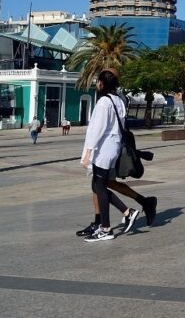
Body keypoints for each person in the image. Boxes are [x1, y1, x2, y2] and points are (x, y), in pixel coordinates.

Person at [80, 69, 138, 242]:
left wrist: (88, 152)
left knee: (99, 186)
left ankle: (106, 228)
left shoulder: (104, 102)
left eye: (98, 81)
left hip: (103, 149)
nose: (97, 84)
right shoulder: (118, 100)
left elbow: (98, 128)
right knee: (98, 186)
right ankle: (127, 213)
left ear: (102, 84)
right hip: (113, 147)